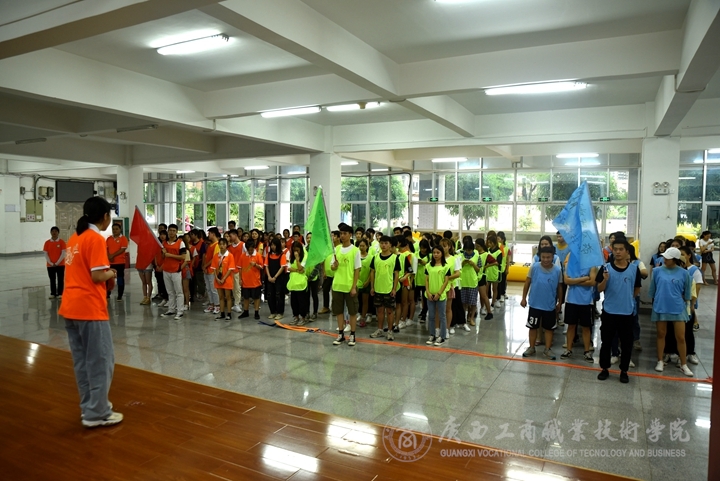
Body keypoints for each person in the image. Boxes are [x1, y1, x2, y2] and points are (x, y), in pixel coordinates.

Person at [59, 196, 123, 427]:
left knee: (83, 362)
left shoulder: (75, 238)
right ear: (105, 216)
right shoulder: (95, 239)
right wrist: (111, 273)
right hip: (89, 308)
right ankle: (97, 413)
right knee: (101, 360)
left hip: (71, 307)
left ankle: (90, 407)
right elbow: (97, 275)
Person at [595, 238, 642, 383]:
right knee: (606, 342)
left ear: (627, 252)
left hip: (626, 312)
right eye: (615, 249)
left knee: (627, 343)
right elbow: (599, 289)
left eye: (621, 249)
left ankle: (624, 370)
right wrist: (605, 279)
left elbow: (636, 289)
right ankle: (604, 368)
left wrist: (628, 300)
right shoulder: (605, 268)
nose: (618, 252)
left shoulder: (634, 269)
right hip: (609, 312)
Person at [649, 247, 693, 377]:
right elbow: (652, 290)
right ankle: (660, 361)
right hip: (660, 306)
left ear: (675, 259)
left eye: (667, 258)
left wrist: (688, 304)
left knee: (681, 337)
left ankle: (684, 364)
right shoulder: (657, 271)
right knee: (661, 334)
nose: (665, 259)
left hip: (678, 307)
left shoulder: (684, 273)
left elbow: (687, 293)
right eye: (664, 257)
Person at [521, 246, 562, 360]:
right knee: (532, 327)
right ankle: (531, 347)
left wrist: (560, 302)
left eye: (548, 257)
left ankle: (547, 349)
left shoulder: (557, 270)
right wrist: (523, 298)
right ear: (540, 257)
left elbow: (559, 287)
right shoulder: (534, 267)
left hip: (549, 305)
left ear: (553, 257)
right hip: (535, 304)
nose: (545, 259)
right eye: (543, 257)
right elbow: (527, 282)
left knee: (549, 328)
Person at [560, 254, 597, 363]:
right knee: (571, 326)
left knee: (586, 327)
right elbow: (567, 281)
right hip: (571, 300)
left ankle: (587, 351)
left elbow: (592, 282)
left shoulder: (592, 265)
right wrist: (584, 278)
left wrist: (574, 280)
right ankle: (568, 350)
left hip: (586, 302)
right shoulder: (569, 264)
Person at [331, 223, 362, 346]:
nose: (342, 236)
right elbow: (332, 267)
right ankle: (341, 334)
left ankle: (352, 335)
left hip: (349, 286)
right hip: (337, 285)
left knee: (352, 311)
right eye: (341, 234)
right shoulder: (336, 249)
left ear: (350, 235)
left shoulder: (355, 250)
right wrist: (334, 266)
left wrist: (354, 287)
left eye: (345, 233)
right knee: (339, 311)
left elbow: (357, 270)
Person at [369, 235, 400, 340]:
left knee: (390, 311)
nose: (384, 245)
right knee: (380, 311)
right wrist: (372, 287)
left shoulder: (394, 258)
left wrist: (394, 289)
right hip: (378, 288)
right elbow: (372, 272)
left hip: (389, 289)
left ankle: (390, 331)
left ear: (390, 245)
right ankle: (380, 330)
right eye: (382, 243)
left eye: (386, 243)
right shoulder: (375, 257)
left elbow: (396, 274)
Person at [425, 245, 452, 346]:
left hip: (441, 295)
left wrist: (439, 293)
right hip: (430, 295)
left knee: (442, 316)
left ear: (442, 254)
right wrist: (428, 292)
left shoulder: (446, 266)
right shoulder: (428, 266)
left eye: (438, 252)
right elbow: (426, 280)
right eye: (434, 253)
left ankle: (442, 336)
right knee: (431, 316)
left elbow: (446, 281)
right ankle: (432, 334)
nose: (435, 254)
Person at [160, 224, 188, 320]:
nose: (171, 232)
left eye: (173, 231)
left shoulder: (180, 243)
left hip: (176, 270)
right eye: (170, 230)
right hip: (166, 269)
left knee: (178, 291)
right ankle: (171, 309)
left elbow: (183, 257)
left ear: (176, 232)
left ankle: (180, 311)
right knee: (170, 291)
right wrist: (164, 253)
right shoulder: (164, 243)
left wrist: (169, 255)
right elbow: (163, 257)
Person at [237, 239, 264, 319]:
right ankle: (246, 312)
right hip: (245, 281)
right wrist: (240, 279)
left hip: (255, 281)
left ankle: (256, 312)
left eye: (252, 250)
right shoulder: (242, 256)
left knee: (256, 297)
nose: (250, 251)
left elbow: (261, 267)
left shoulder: (258, 255)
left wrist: (255, 265)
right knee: (246, 297)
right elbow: (240, 268)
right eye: (249, 250)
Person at [210, 237, 236, 321]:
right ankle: (222, 313)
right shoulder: (216, 256)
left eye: (223, 244)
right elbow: (214, 268)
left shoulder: (230, 255)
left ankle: (229, 313)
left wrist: (224, 278)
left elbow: (230, 269)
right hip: (218, 279)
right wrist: (217, 278)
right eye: (220, 244)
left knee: (228, 297)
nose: (221, 246)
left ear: (226, 245)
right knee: (220, 297)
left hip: (227, 279)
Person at [287, 241, 310, 325]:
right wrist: (297, 270)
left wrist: (297, 259)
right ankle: (296, 316)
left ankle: (303, 317)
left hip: (301, 283)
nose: (296, 252)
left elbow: (301, 268)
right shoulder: (291, 257)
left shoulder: (304, 257)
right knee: (294, 302)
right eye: (294, 250)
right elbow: (289, 268)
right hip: (293, 283)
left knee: (302, 301)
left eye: (297, 250)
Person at [265, 237, 288, 321]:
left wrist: (275, 277)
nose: (273, 247)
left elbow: (282, 267)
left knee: (279, 295)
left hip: (279, 278)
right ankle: (273, 311)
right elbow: (266, 266)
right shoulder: (268, 255)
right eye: (271, 245)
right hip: (270, 278)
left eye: (274, 245)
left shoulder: (282, 255)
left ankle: (280, 312)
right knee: (270, 295)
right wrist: (269, 276)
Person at [460, 239, 480, 327]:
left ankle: (471, 318)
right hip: (462, 282)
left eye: (470, 250)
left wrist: (473, 264)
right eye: (467, 250)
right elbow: (457, 268)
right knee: (463, 302)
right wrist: (463, 263)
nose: (468, 252)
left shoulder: (477, 256)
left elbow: (478, 269)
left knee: (473, 302)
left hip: (472, 282)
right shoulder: (460, 256)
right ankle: (463, 319)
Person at [319, 230, 340, 314]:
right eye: (331, 236)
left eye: (334, 236)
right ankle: (326, 307)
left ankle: (335, 308)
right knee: (325, 290)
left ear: (338, 238)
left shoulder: (340, 248)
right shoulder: (328, 248)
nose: (332, 237)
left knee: (335, 292)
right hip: (328, 273)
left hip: (336, 274)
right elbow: (324, 260)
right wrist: (324, 271)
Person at [106, 222, 128, 301]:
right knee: (108, 278)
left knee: (120, 278)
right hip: (110, 262)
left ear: (120, 230)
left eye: (116, 229)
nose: (115, 230)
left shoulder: (123, 239)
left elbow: (122, 249)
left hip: (120, 262)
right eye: (113, 229)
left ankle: (120, 295)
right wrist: (109, 256)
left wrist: (112, 255)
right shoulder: (109, 239)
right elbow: (106, 248)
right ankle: (107, 294)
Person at [44, 226, 66, 299]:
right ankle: (53, 293)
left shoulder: (62, 242)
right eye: (53, 231)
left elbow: (63, 253)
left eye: (56, 231)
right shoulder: (47, 243)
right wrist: (50, 263)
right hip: (50, 265)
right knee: (52, 279)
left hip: (60, 265)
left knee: (60, 279)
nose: (54, 233)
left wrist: (57, 263)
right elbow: (46, 254)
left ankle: (60, 293)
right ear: (50, 232)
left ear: (58, 233)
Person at [202, 227, 221, 315]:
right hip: (207, 269)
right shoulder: (210, 245)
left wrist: (205, 266)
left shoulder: (217, 245)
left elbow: (214, 258)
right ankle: (211, 304)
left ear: (213, 234)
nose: (208, 235)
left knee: (213, 289)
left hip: (212, 270)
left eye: (209, 233)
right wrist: (204, 267)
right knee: (208, 289)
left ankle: (217, 305)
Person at [475, 238, 494, 320]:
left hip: (482, 276)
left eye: (477, 246)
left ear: (481, 246)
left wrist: (485, 266)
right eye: (475, 246)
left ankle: (489, 312)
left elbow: (495, 262)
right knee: (474, 296)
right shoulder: (475, 253)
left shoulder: (486, 254)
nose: (476, 247)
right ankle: (474, 312)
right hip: (473, 277)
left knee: (483, 295)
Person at [356, 238, 373, 327]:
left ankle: (363, 318)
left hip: (366, 283)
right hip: (356, 283)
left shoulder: (371, 257)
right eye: (360, 246)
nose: (361, 247)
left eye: (363, 246)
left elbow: (372, 271)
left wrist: (368, 281)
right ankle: (356, 315)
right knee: (356, 301)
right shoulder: (356, 256)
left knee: (365, 301)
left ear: (367, 246)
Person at [227, 229, 244, 314]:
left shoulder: (243, 245)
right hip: (231, 270)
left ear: (235, 235)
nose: (229, 238)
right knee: (234, 288)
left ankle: (237, 303)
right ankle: (237, 303)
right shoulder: (229, 247)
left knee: (237, 287)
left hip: (239, 269)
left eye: (230, 236)